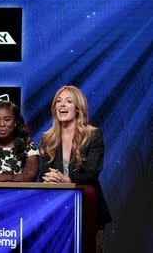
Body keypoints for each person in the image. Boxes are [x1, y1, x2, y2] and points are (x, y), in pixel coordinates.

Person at [39, 85, 111, 252]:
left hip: (88, 210)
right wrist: (50, 178)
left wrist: (68, 180)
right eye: (59, 101)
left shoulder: (93, 135)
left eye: (68, 101)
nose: (62, 105)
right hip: (57, 211)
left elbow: (92, 174)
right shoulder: (47, 139)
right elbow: (43, 175)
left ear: (78, 108)